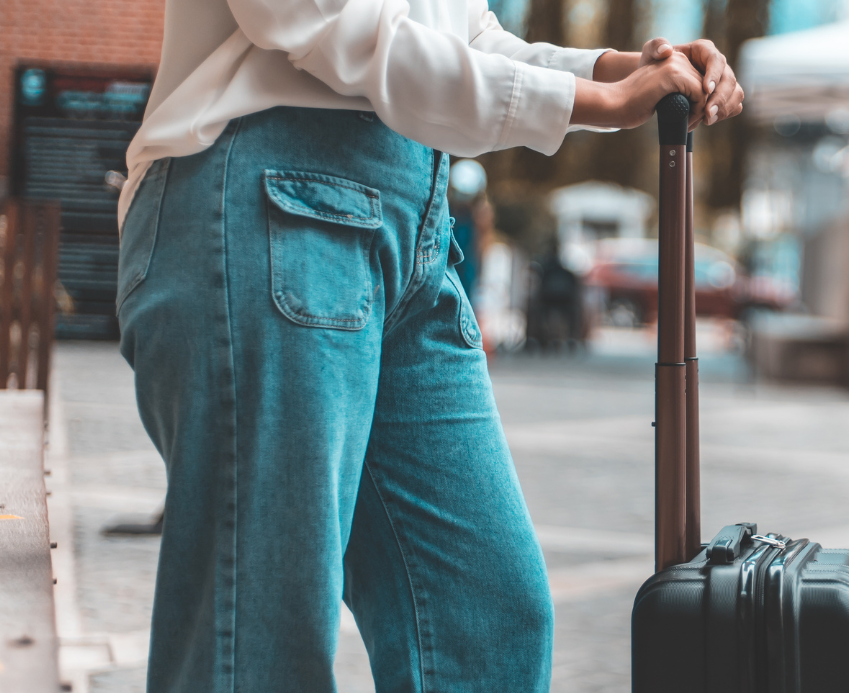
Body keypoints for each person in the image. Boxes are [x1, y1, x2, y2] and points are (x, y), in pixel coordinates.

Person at [112, 0, 744, 689]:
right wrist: (591, 96)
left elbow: (461, 34)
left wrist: (620, 70)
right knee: (263, 637)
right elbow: (317, 18)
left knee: (487, 618)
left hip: (412, 222)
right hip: (270, 197)